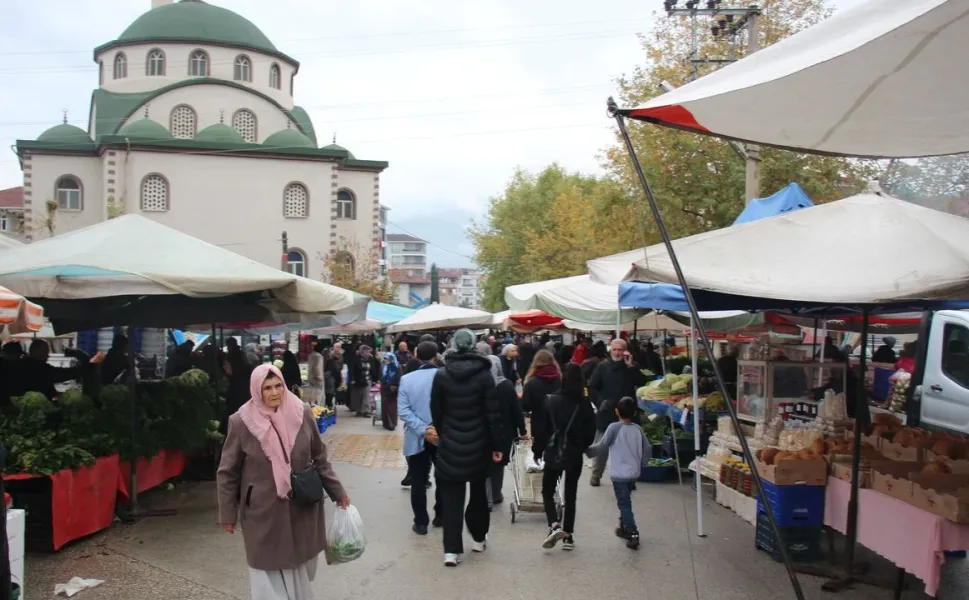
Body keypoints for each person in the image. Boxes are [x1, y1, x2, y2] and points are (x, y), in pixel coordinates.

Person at [217, 364, 349, 600]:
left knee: (300, 565)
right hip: (263, 510)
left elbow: (319, 457)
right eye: (267, 388)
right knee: (266, 568)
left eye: (278, 385)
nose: (274, 392)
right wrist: (227, 513)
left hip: (302, 505)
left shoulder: (302, 412)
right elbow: (227, 472)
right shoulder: (241, 421)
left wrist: (338, 492)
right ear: (257, 390)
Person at [430, 329, 503, 567]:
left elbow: (436, 411)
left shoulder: (441, 375)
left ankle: (451, 551)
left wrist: (444, 433)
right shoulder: (484, 376)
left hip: (450, 444)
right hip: (479, 445)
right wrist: (496, 445)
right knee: (479, 493)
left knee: (452, 499)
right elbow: (493, 414)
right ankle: (479, 538)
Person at [533, 363, 596, 551]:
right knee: (571, 494)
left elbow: (542, 430)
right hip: (574, 452)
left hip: (553, 451)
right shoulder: (584, 403)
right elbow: (590, 431)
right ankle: (568, 535)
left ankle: (554, 525)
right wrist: (581, 445)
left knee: (547, 490)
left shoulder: (550, 400)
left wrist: (538, 450)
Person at [585, 397, 651, 550]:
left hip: (619, 474)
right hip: (634, 473)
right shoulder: (638, 429)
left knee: (624, 503)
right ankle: (623, 527)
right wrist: (643, 464)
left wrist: (586, 450)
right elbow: (647, 448)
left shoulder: (614, 428)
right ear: (635, 412)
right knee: (625, 500)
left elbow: (602, 446)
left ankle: (633, 532)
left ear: (616, 411)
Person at [587, 339, 647, 486]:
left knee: (628, 447)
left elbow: (641, 381)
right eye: (615, 349)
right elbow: (592, 387)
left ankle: (629, 479)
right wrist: (601, 402)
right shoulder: (602, 367)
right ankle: (596, 475)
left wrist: (631, 366)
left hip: (627, 412)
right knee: (601, 446)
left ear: (625, 351)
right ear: (610, 350)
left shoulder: (630, 367)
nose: (618, 352)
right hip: (607, 412)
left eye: (621, 350)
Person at [398, 342, 443, 533]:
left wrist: (423, 429)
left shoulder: (407, 379)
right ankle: (440, 515)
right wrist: (435, 428)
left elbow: (403, 410)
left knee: (418, 479)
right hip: (442, 436)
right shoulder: (446, 376)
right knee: (443, 477)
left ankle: (421, 522)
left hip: (416, 436)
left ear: (416, 355)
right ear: (436, 356)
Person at [486, 355, 527, 510]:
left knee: (486, 463)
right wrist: (522, 430)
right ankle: (496, 494)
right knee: (499, 462)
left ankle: (487, 497)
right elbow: (516, 411)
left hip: (484, 430)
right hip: (505, 431)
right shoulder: (506, 386)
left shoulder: (480, 384)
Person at [521, 350, 563, 453]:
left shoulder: (532, 382)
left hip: (539, 425)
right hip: (559, 424)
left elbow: (525, 406)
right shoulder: (561, 380)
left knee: (540, 457)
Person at [223, 338, 254, 430]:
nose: (224, 367)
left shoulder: (239, 385)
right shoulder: (241, 380)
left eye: (226, 364)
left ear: (234, 365)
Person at [347, 345, 378, 417]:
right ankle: (359, 411)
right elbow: (351, 369)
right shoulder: (356, 358)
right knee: (358, 396)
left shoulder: (371, 358)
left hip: (367, 380)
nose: (368, 353)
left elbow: (373, 368)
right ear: (361, 352)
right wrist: (352, 379)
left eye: (369, 351)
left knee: (366, 396)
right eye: (366, 351)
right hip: (358, 379)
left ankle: (366, 411)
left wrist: (375, 379)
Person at [380, 352, 401, 430]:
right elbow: (381, 375)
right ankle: (385, 423)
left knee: (392, 407)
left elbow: (399, 377)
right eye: (385, 359)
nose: (386, 360)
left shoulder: (397, 366)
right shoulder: (384, 366)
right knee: (384, 406)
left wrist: (394, 386)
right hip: (384, 388)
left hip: (393, 389)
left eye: (387, 359)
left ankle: (392, 424)